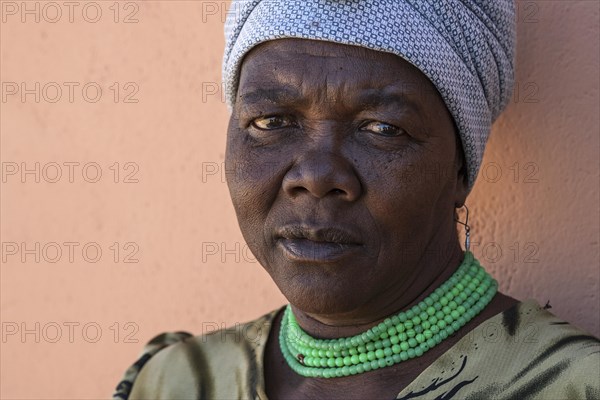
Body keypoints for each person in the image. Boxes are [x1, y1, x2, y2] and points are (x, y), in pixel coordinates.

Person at [113, 1, 600, 399]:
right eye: (270, 121)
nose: (317, 177)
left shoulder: (568, 387)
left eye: (383, 128)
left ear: (459, 170)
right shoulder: (177, 384)